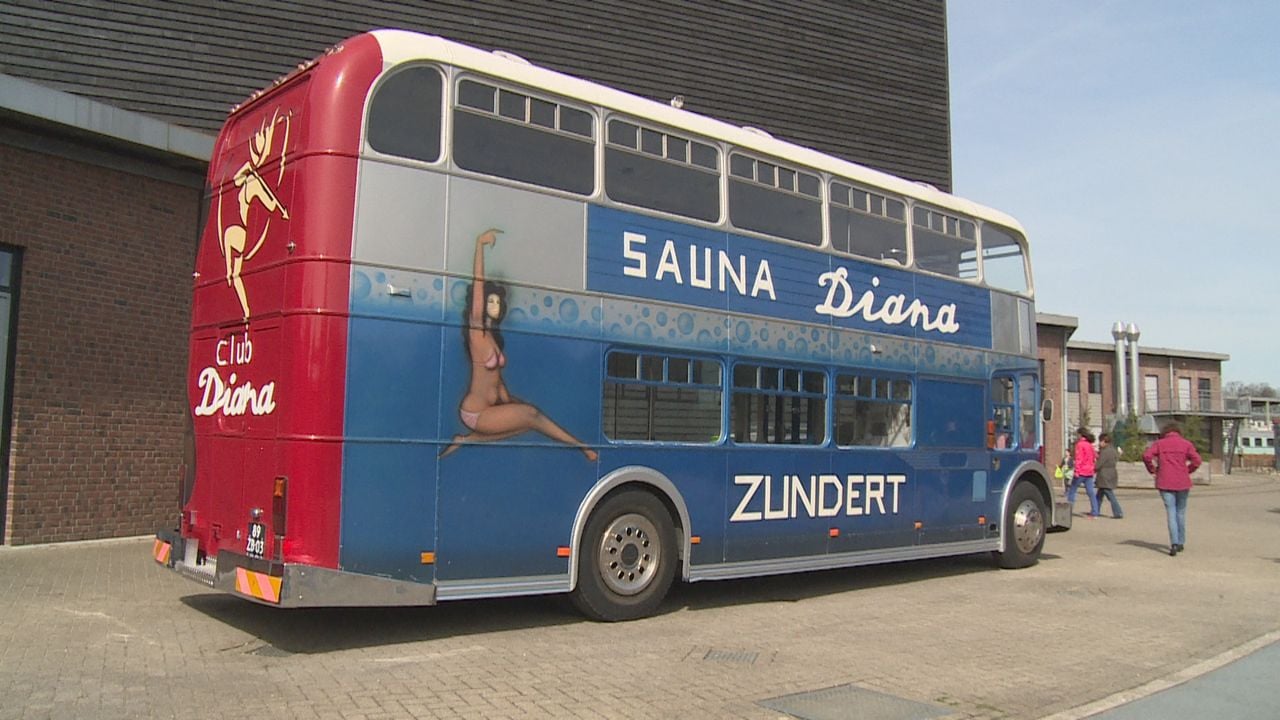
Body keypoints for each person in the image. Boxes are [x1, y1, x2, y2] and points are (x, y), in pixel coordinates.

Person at [439, 229, 598, 461]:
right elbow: (478, 284)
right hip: (476, 412)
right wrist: (479, 246)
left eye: (496, 301)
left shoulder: (493, 335)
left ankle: (467, 439)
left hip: (488, 410)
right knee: (532, 415)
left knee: (527, 422)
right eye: (489, 301)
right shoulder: (477, 332)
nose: (493, 305)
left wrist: (509, 401)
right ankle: (581, 446)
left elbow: (497, 380)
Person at [1142, 421, 1202, 556]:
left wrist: (1152, 470)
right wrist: (1188, 470)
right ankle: (1181, 542)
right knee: (1181, 512)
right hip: (1182, 481)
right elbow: (1197, 460)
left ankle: (1173, 543)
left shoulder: (1159, 444)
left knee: (1171, 512)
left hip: (1165, 481)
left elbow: (1146, 456)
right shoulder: (1186, 444)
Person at [1065, 428, 1100, 518]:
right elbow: (1095, 456)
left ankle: (1068, 510)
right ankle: (1095, 512)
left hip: (1081, 472)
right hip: (1089, 472)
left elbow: (1079, 459)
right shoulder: (1090, 445)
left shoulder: (1080, 445)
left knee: (1072, 491)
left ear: (1080, 435)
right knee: (1091, 492)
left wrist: (1077, 471)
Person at [1093, 432, 1123, 518]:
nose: (1099, 443)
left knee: (1110, 495)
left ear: (1104, 441)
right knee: (1099, 495)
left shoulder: (1105, 452)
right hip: (1112, 473)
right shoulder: (1113, 450)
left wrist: (1094, 467)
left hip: (1104, 475)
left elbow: (1099, 464)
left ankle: (1118, 512)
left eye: (1100, 441)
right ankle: (1096, 510)